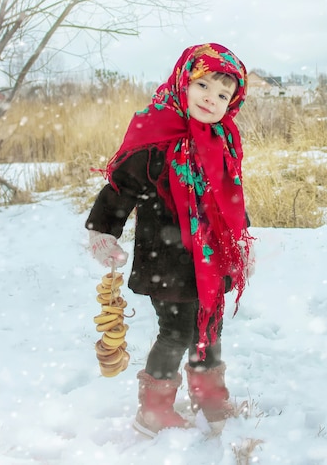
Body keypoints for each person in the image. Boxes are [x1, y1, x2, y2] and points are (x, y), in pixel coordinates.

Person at [85, 43, 254, 437]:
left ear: (232, 103)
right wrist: (104, 232)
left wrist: (240, 237)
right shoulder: (157, 132)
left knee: (209, 328)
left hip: (210, 256)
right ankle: (154, 410)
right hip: (167, 258)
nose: (211, 99)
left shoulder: (220, 139)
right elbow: (121, 187)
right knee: (176, 332)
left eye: (222, 95)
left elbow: (229, 193)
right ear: (184, 80)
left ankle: (210, 398)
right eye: (204, 86)